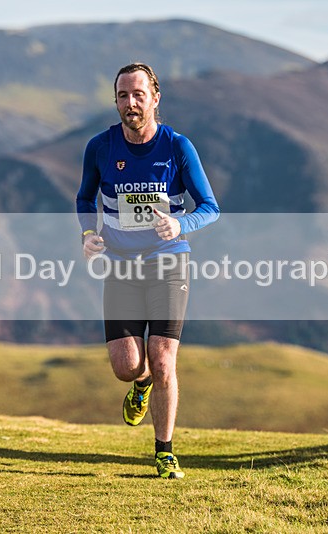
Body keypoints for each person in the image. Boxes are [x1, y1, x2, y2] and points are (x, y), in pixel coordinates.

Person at [76, 63, 220, 478]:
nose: (131, 103)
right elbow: (85, 198)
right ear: (116, 101)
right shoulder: (100, 147)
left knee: (163, 360)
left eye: (139, 94)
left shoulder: (177, 147)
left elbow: (210, 207)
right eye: (123, 95)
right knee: (127, 366)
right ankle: (140, 385)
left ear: (155, 98)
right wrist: (88, 233)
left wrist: (181, 223)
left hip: (169, 261)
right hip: (120, 266)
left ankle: (165, 451)